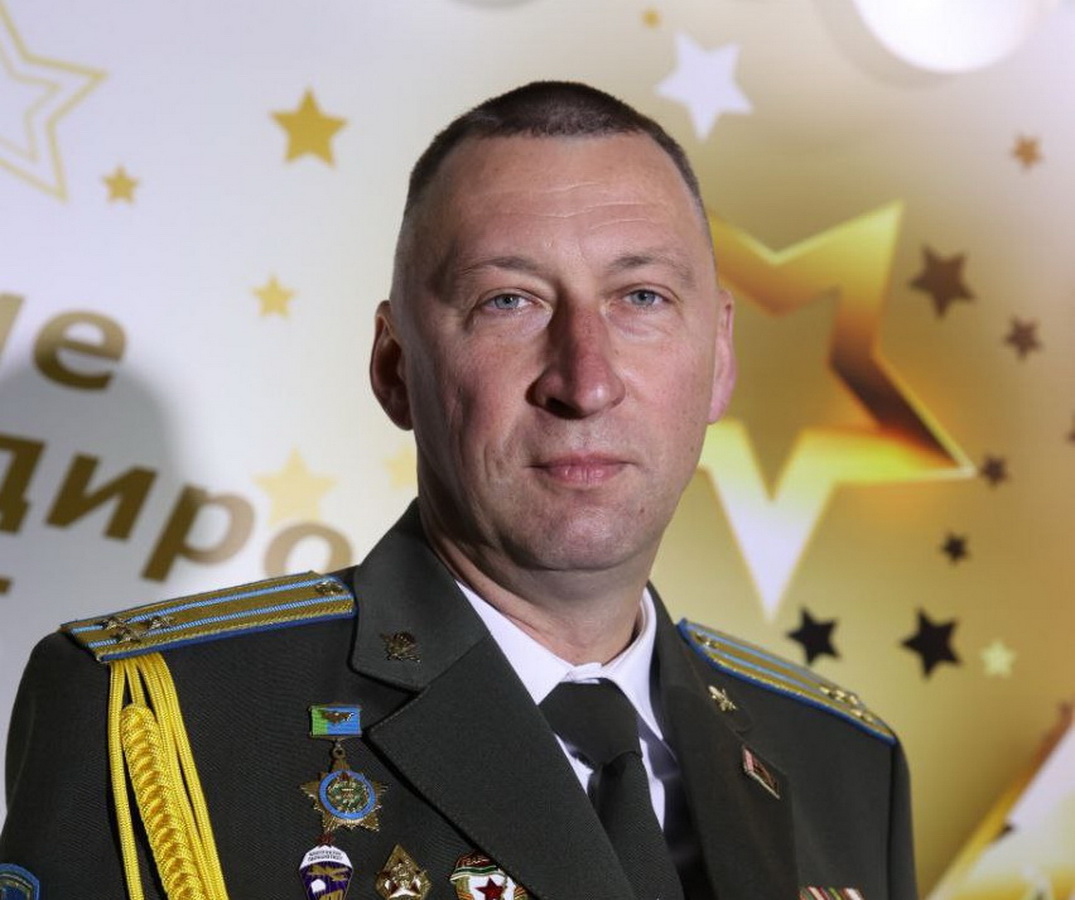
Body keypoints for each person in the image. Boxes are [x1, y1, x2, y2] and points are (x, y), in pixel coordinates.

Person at [0, 81, 917, 900]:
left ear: (718, 357)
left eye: (640, 297)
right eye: (507, 302)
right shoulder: (168, 723)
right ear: (395, 368)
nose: (585, 381)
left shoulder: (842, 764)